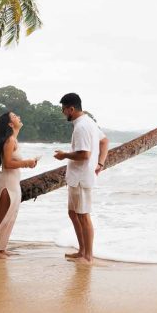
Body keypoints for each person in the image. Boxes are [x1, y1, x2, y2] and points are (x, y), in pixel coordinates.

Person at [54, 93, 109, 264]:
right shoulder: (88, 122)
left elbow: (84, 155)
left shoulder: (81, 127)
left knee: (83, 216)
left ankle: (88, 256)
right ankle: (82, 251)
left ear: (71, 109)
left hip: (81, 178)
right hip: (77, 177)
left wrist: (64, 155)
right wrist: (100, 164)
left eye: (64, 109)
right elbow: (104, 141)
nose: (63, 113)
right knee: (73, 213)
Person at [0, 112, 38, 259]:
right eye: (14, 116)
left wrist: (28, 163)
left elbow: (12, 162)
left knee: (10, 217)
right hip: (7, 184)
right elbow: (7, 164)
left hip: (13, 183)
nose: (18, 117)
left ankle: (1, 248)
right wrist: (26, 163)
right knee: (2, 217)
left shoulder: (14, 139)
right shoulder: (9, 141)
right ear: (10, 124)